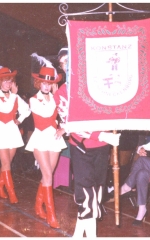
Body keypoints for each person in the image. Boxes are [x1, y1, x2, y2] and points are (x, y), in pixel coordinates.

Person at [53, 47, 121, 237]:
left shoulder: (96, 85)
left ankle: (78, 234)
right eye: (63, 63)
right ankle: (91, 236)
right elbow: (71, 124)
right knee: (85, 193)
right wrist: (101, 135)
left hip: (102, 148)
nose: (67, 65)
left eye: (70, 60)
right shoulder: (61, 93)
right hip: (81, 146)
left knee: (96, 192)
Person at [25, 65, 67, 229]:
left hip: (54, 138)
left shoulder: (57, 98)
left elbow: (64, 115)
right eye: (43, 83)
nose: (46, 86)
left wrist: (63, 127)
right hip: (40, 138)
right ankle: (51, 215)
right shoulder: (34, 99)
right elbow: (46, 114)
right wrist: (57, 97)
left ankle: (38, 206)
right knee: (48, 175)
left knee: (48, 175)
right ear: (38, 83)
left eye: (49, 83)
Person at [0, 66, 31, 204]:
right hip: (0, 132)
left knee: (7, 163)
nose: (8, 83)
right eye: (5, 81)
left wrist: (20, 119)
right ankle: (11, 192)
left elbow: (27, 109)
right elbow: (6, 108)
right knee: (6, 163)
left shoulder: (14, 97)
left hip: (12, 131)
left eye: (10, 81)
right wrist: (15, 95)